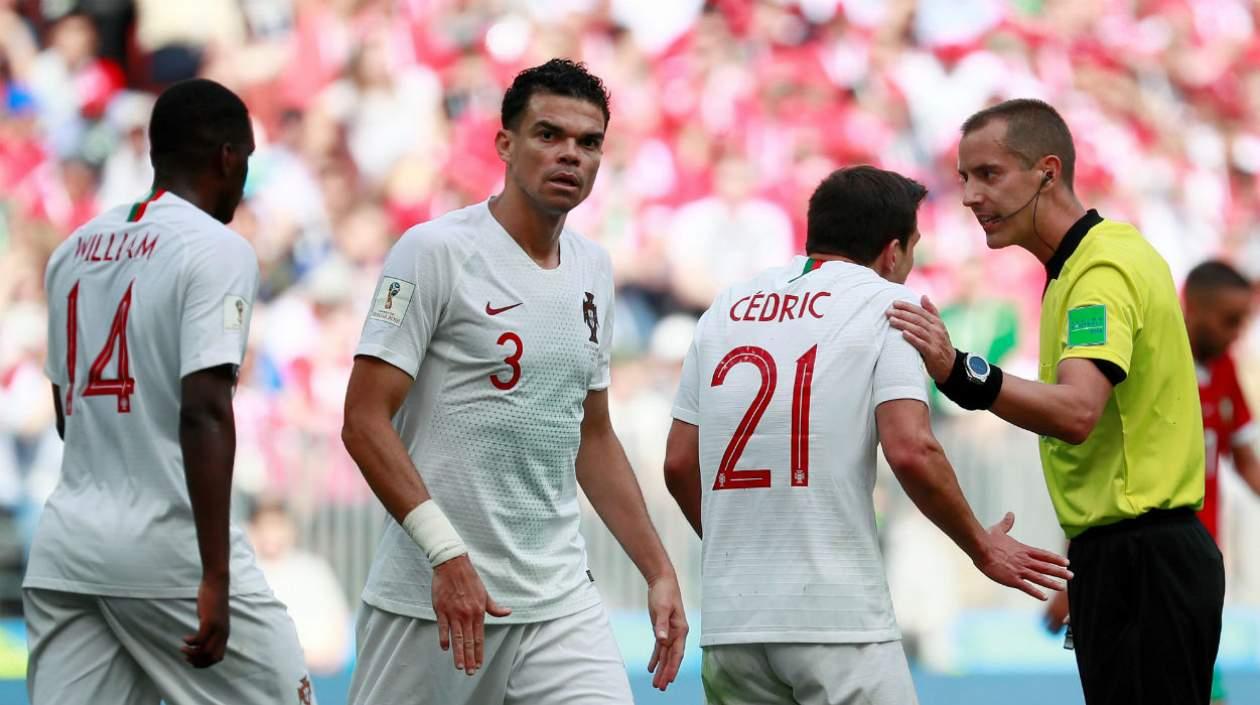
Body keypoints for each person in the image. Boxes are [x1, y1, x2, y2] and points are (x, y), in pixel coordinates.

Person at [341, 58, 687, 705]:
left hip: (558, 600)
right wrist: (446, 555)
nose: (569, 156)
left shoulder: (595, 269)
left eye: (588, 143)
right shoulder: (433, 252)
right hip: (432, 599)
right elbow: (362, 420)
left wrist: (658, 567)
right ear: (505, 144)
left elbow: (593, 434)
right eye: (548, 135)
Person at [663, 165, 1071, 705]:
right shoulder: (890, 307)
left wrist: (738, 544)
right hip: (837, 619)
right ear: (892, 251)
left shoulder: (725, 309)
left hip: (734, 619)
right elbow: (911, 449)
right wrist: (981, 546)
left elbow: (677, 463)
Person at [888, 98, 1225, 705]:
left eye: (989, 174)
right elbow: (1107, 444)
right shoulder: (1077, 269)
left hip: (1146, 561)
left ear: (1047, 170)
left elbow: (1077, 413)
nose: (969, 196)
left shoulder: (1099, 271)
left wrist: (961, 372)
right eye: (963, 178)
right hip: (1126, 554)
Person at [28, 79, 312, 704]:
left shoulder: (71, 251)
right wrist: (214, 574)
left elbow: (65, 413)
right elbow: (205, 411)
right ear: (227, 158)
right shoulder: (217, 250)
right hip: (168, 546)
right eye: (248, 161)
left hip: (67, 549)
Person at [1042, 259, 1260, 704]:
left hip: (1194, 559)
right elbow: (1104, 477)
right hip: (1140, 556)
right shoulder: (1149, 365)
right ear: (1193, 307)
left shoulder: (1223, 374)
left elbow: (1244, 458)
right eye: (1230, 321)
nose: (1238, 333)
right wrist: (1073, 578)